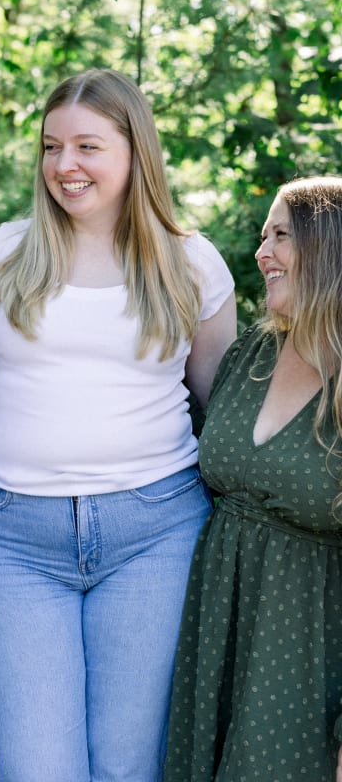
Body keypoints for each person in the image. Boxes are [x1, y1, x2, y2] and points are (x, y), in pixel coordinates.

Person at [0, 68, 237, 781]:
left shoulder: (190, 264)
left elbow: (225, 412)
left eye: (87, 146)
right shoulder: (3, 256)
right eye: (51, 148)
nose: (64, 166)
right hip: (15, 540)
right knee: (35, 769)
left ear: (134, 152)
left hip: (158, 533)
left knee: (129, 766)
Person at [164, 176, 342, 781]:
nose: (262, 252)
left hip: (306, 660)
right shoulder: (247, 358)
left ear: (330, 248)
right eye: (264, 236)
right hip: (215, 640)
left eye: (281, 235)